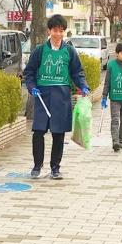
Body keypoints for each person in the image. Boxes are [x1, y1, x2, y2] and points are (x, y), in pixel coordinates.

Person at [23, 14, 89, 179]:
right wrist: (32, 87)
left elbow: (77, 72)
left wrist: (83, 86)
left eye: (61, 31)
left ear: (64, 32)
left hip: (61, 98)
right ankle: (37, 166)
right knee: (38, 132)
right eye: (55, 30)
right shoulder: (39, 51)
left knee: (58, 134)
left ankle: (55, 168)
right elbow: (29, 72)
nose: (58, 34)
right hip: (42, 97)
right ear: (49, 31)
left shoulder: (69, 51)